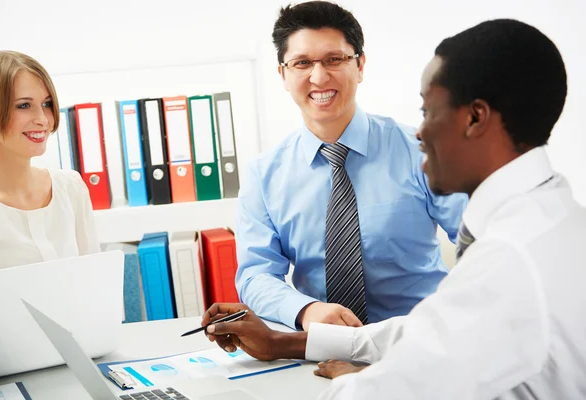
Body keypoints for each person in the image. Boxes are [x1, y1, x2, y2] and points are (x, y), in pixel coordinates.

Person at [203, 18, 586, 399]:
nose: (420, 133)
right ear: (284, 74)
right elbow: (439, 327)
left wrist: (351, 381)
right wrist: (288, 340)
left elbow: (410, 372)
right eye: (303, 63)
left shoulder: (503, 255)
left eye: (428, 111)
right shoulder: (555, 216)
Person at [236, 0, 467, 331]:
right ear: (283, 75)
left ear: (360, 65)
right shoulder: (264, 175)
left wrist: (455, 313)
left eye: (334, 59)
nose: (318, 77)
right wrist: (307, 310)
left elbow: (479, 241)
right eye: (302, 63)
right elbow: (256, 275)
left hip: (420, 342)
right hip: (321, 347)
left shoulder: (420, 151)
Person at [0, 50, 100, 271]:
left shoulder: (70, 187)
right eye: (24, 105)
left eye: (47, 104)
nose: (42, 119)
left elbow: (95, 281)